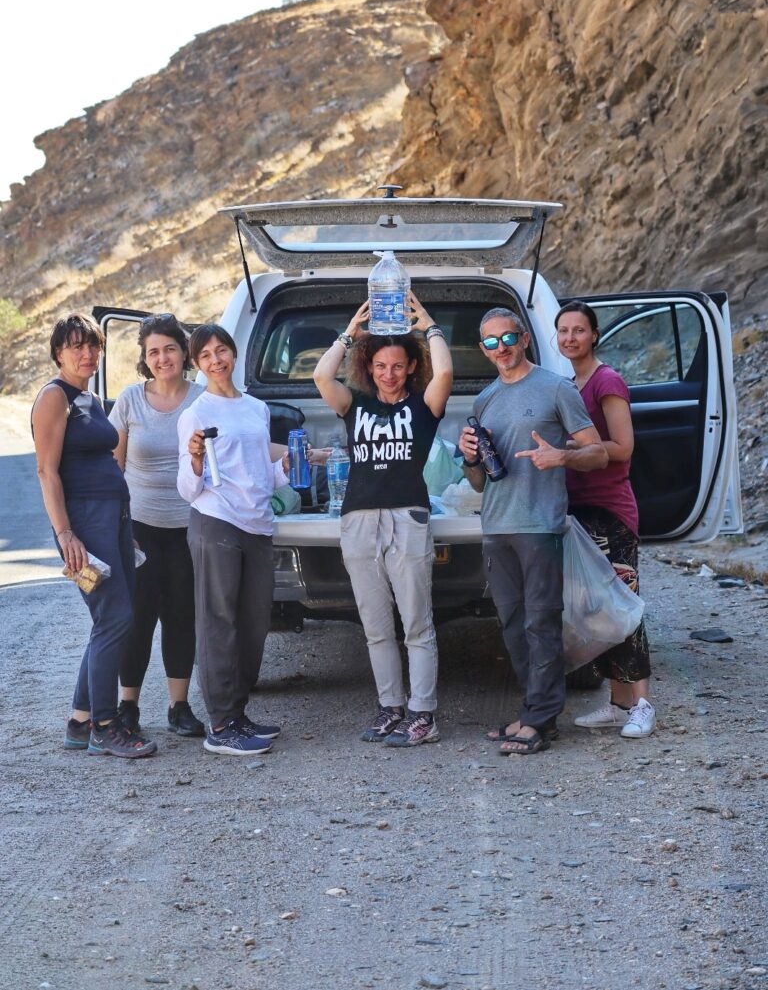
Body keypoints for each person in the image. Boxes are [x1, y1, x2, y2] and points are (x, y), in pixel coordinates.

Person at [458, 307, 608, 755]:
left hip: (540, 524)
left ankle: (540, 719)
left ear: (523, 338)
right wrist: (468, 458)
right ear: (483, 349)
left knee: (542, 624)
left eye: (507, 338)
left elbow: (598, 452)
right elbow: (480, 482)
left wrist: (562, 457)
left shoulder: (555, 388)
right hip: (496, 526)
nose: (500, 348)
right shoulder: (484, 401)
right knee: (513, 625)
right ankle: (533, 712)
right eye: (490, 342)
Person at [313, 291, 453, 747]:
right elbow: (320, 374)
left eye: (397, 365)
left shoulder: (423, 407)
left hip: (407, 517)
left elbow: (446, 370)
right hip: (359, 520)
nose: (388, 373)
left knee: (416, 623)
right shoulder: (355, 405)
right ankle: (391, 708)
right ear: (368, 369)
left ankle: (423, 715)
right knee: (375, 626)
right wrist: (350, 335)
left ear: (411, 366)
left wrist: (428, 325)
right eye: (380, 366)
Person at [31, 314, 157, 758]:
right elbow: (47, 471)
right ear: (58, 352)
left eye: (93, 346)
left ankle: (79, 722)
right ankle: (106, 725)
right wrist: (66, 533)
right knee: (118, 616)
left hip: (115, 523)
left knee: (111, 619)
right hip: (84, 527)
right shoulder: (54, 397)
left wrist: (127, 532)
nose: (87, 354)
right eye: (76, 347)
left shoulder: (91, 399)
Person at [177, 324, 287, 757]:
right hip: (216, 521)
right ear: (197, 364)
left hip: (258, 523)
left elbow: (263, 473)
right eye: (205, 355)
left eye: (221, 350)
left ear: (234, 353)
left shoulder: (256, 408)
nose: (216, 360)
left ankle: (238, 713)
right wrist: (196, 459)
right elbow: (188, 489)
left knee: (254, 624)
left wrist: (296, 463)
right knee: (218, 622)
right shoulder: (196, 413)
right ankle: (220, 725)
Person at [555, 301, 656, 738]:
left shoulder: (606, 381)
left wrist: (569, 452)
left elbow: (623, 446)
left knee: (623, 607)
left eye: (579, 330)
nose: (570, 338)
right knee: (597, 612)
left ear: (594, 335)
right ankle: (617, 704)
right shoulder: (565, 385)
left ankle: (643, 705)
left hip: (610, 508)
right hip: (577, 509)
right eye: (563, 331)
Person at [109, 313, 206, 738]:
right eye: (153, 351)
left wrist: (303, 453)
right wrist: (114, 525)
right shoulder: (129, 400)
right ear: (144, 359)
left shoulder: (202, 399)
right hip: (140, 528)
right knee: (138, 617)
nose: (162, 357)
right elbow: (112, 466)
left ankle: (179, 706)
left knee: (182, 616)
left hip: (191, 526)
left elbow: (243, 441)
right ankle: (127, 706)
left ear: (184, 353)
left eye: (170, 348)